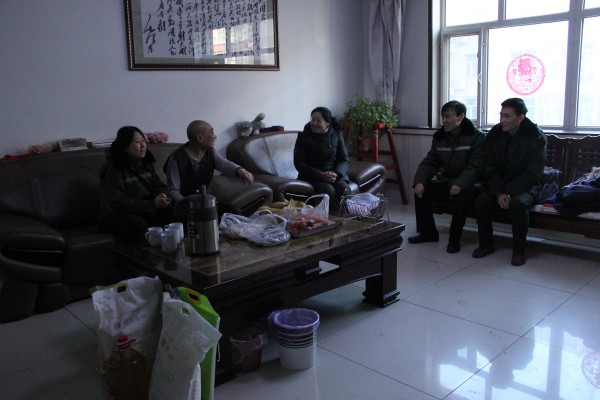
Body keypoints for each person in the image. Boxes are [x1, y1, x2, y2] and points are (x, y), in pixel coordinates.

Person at [472, 98, 546, 266]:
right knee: (481, 200)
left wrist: (507, 191)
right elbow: (489, 167)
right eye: (501, 115)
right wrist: (499, 191)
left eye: (507, 116)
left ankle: (519, 251)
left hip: (527, 185)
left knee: (518, 204)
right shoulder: (495, 135)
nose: (502, 120)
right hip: (501, 184)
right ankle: (486, 244)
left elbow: (533, 174)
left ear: (520, 118)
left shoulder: (535, 137)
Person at [408, 100, 486, 253]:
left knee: (460, 195)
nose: (444, 120)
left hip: (471, 182)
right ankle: (428, 233)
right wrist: (420, 181)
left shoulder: (476, 137)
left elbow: (476, 166)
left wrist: (460, 183)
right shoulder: (440, 137)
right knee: (421, 190)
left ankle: (454, 240)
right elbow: (430, 162)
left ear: (461, 117)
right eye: (442, 116)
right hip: (448, 180)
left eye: (448, 116)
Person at [99, 126, 172, 243]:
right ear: (125, 146)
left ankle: (173, 250)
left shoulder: (146, 163)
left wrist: (162, 195)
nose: (143, 146)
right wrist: (152, 204)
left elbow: (158, 185)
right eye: (138, 142)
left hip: (144, 210)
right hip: (116, 217)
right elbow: (118, 205)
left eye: (143, 141)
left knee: (171, 213)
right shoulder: (113, 170)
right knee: (137, 224)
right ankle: (147, 254)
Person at [164, 120, 254, 212]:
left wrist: (240, 170)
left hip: (207, 200)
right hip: (185, 204)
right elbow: (173, 190)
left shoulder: (210, 152)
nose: (215, 137)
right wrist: (189, 207)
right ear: (200, 137)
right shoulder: (176, 158)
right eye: (211, 133)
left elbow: (224, 164)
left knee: (234, 211)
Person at [293, 106, 350, 212]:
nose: (314, 123)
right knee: (328, 190)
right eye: (313, 119)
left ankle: (348, 217)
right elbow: (299, 163)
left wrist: (336, 173)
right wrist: (321, 174)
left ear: (327, 123)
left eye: (318, 121)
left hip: (333, 174)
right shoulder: (303, 137)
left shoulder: (336, 134)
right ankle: (335, 219)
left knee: (344, 188)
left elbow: (344, 159)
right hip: (312, 176)